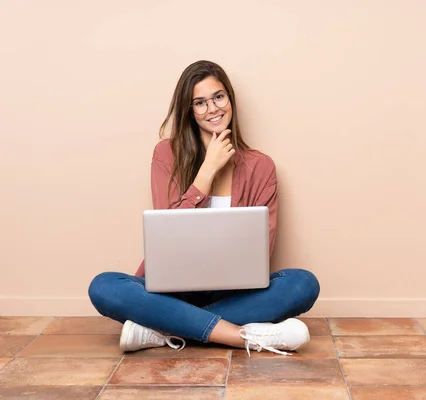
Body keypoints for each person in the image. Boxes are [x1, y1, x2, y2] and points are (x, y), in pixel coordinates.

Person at [88, 60, 320, 356]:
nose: (212, 109)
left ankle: (162, 328)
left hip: (234, 292)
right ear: (189, 110)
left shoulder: (261, 166)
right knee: (103, 286)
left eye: (218, 97)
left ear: (230, 99)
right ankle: (243, 335)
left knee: (303, 284)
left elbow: (263, 248)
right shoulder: (165, 155)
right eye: (200, 102)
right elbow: (168, 239)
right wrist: (206, 173)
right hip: (170, 289)